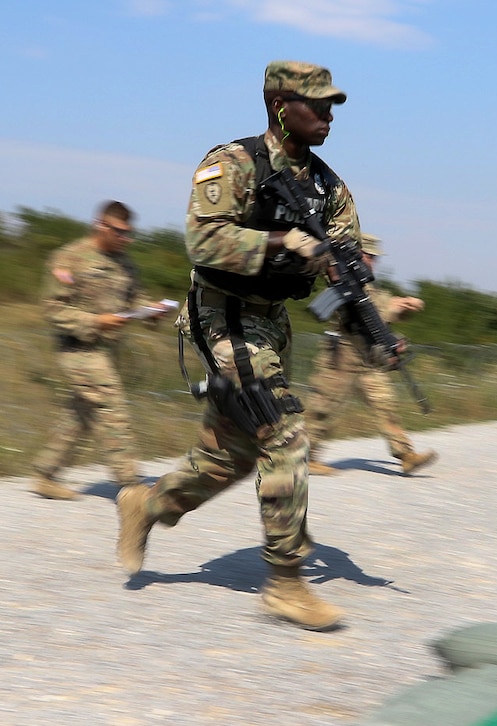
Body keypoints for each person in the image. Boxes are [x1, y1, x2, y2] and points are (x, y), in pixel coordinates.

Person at [116, 60, 364, 631]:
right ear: (280, 105)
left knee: (231, 454)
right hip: (223, 318)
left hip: (273, 324)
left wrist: (355, 287)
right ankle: (285, 580)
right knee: (284, 436)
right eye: (317, 105)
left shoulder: (327, 184)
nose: (328, 115)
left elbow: (349, 247)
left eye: (332, 106)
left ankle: (147, 505)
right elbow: (202, 240)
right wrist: (286, 241)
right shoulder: (232, 163)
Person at [33, 200, 171, 500]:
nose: (126, 239)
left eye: (129, 234)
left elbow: (133, 301)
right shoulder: (69, 259)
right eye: (120, 233)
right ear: (101, 225)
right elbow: (53, 309)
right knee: (110, 402)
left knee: (80, 414)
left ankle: (45, 474)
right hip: (76, 349)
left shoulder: (126, 264)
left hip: (107, 352)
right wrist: (96, 321)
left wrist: (152, 311)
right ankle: (131, 483)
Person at [306, 232, 437, 476]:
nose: (374, 261)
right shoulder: (342, 277)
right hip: (342, 352)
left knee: (385, 404)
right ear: (358, 253)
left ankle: (405, 454)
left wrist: (404, 308)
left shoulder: (366, 284)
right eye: (370, 255)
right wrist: (396, 306)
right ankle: (306, 456)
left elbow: (379, 311)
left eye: (375, 257)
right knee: (323, 406)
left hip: (367, 355)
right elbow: (375, 309)